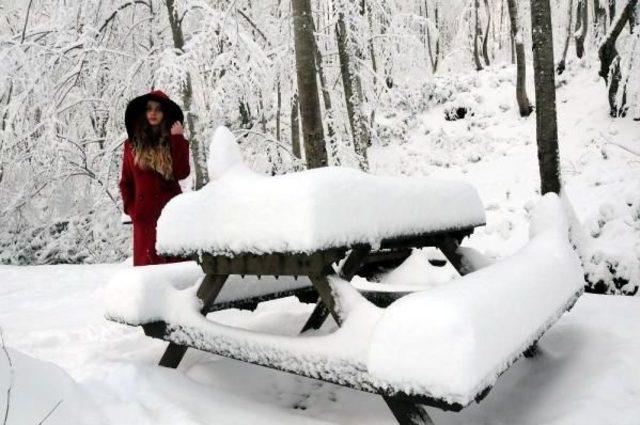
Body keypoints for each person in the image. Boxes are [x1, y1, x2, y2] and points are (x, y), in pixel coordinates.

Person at [119, 90, 190, 266]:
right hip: (145, 218)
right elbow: (126, 182)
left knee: (174, 269)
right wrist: (133, 209)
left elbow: (182, 172)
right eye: (149, 108)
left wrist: (177, 139)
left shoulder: (174, 141)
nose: (153, 113)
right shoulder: (131, 145)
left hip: (170, 214)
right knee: (148, 272)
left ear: (165, 114)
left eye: (158, 109)